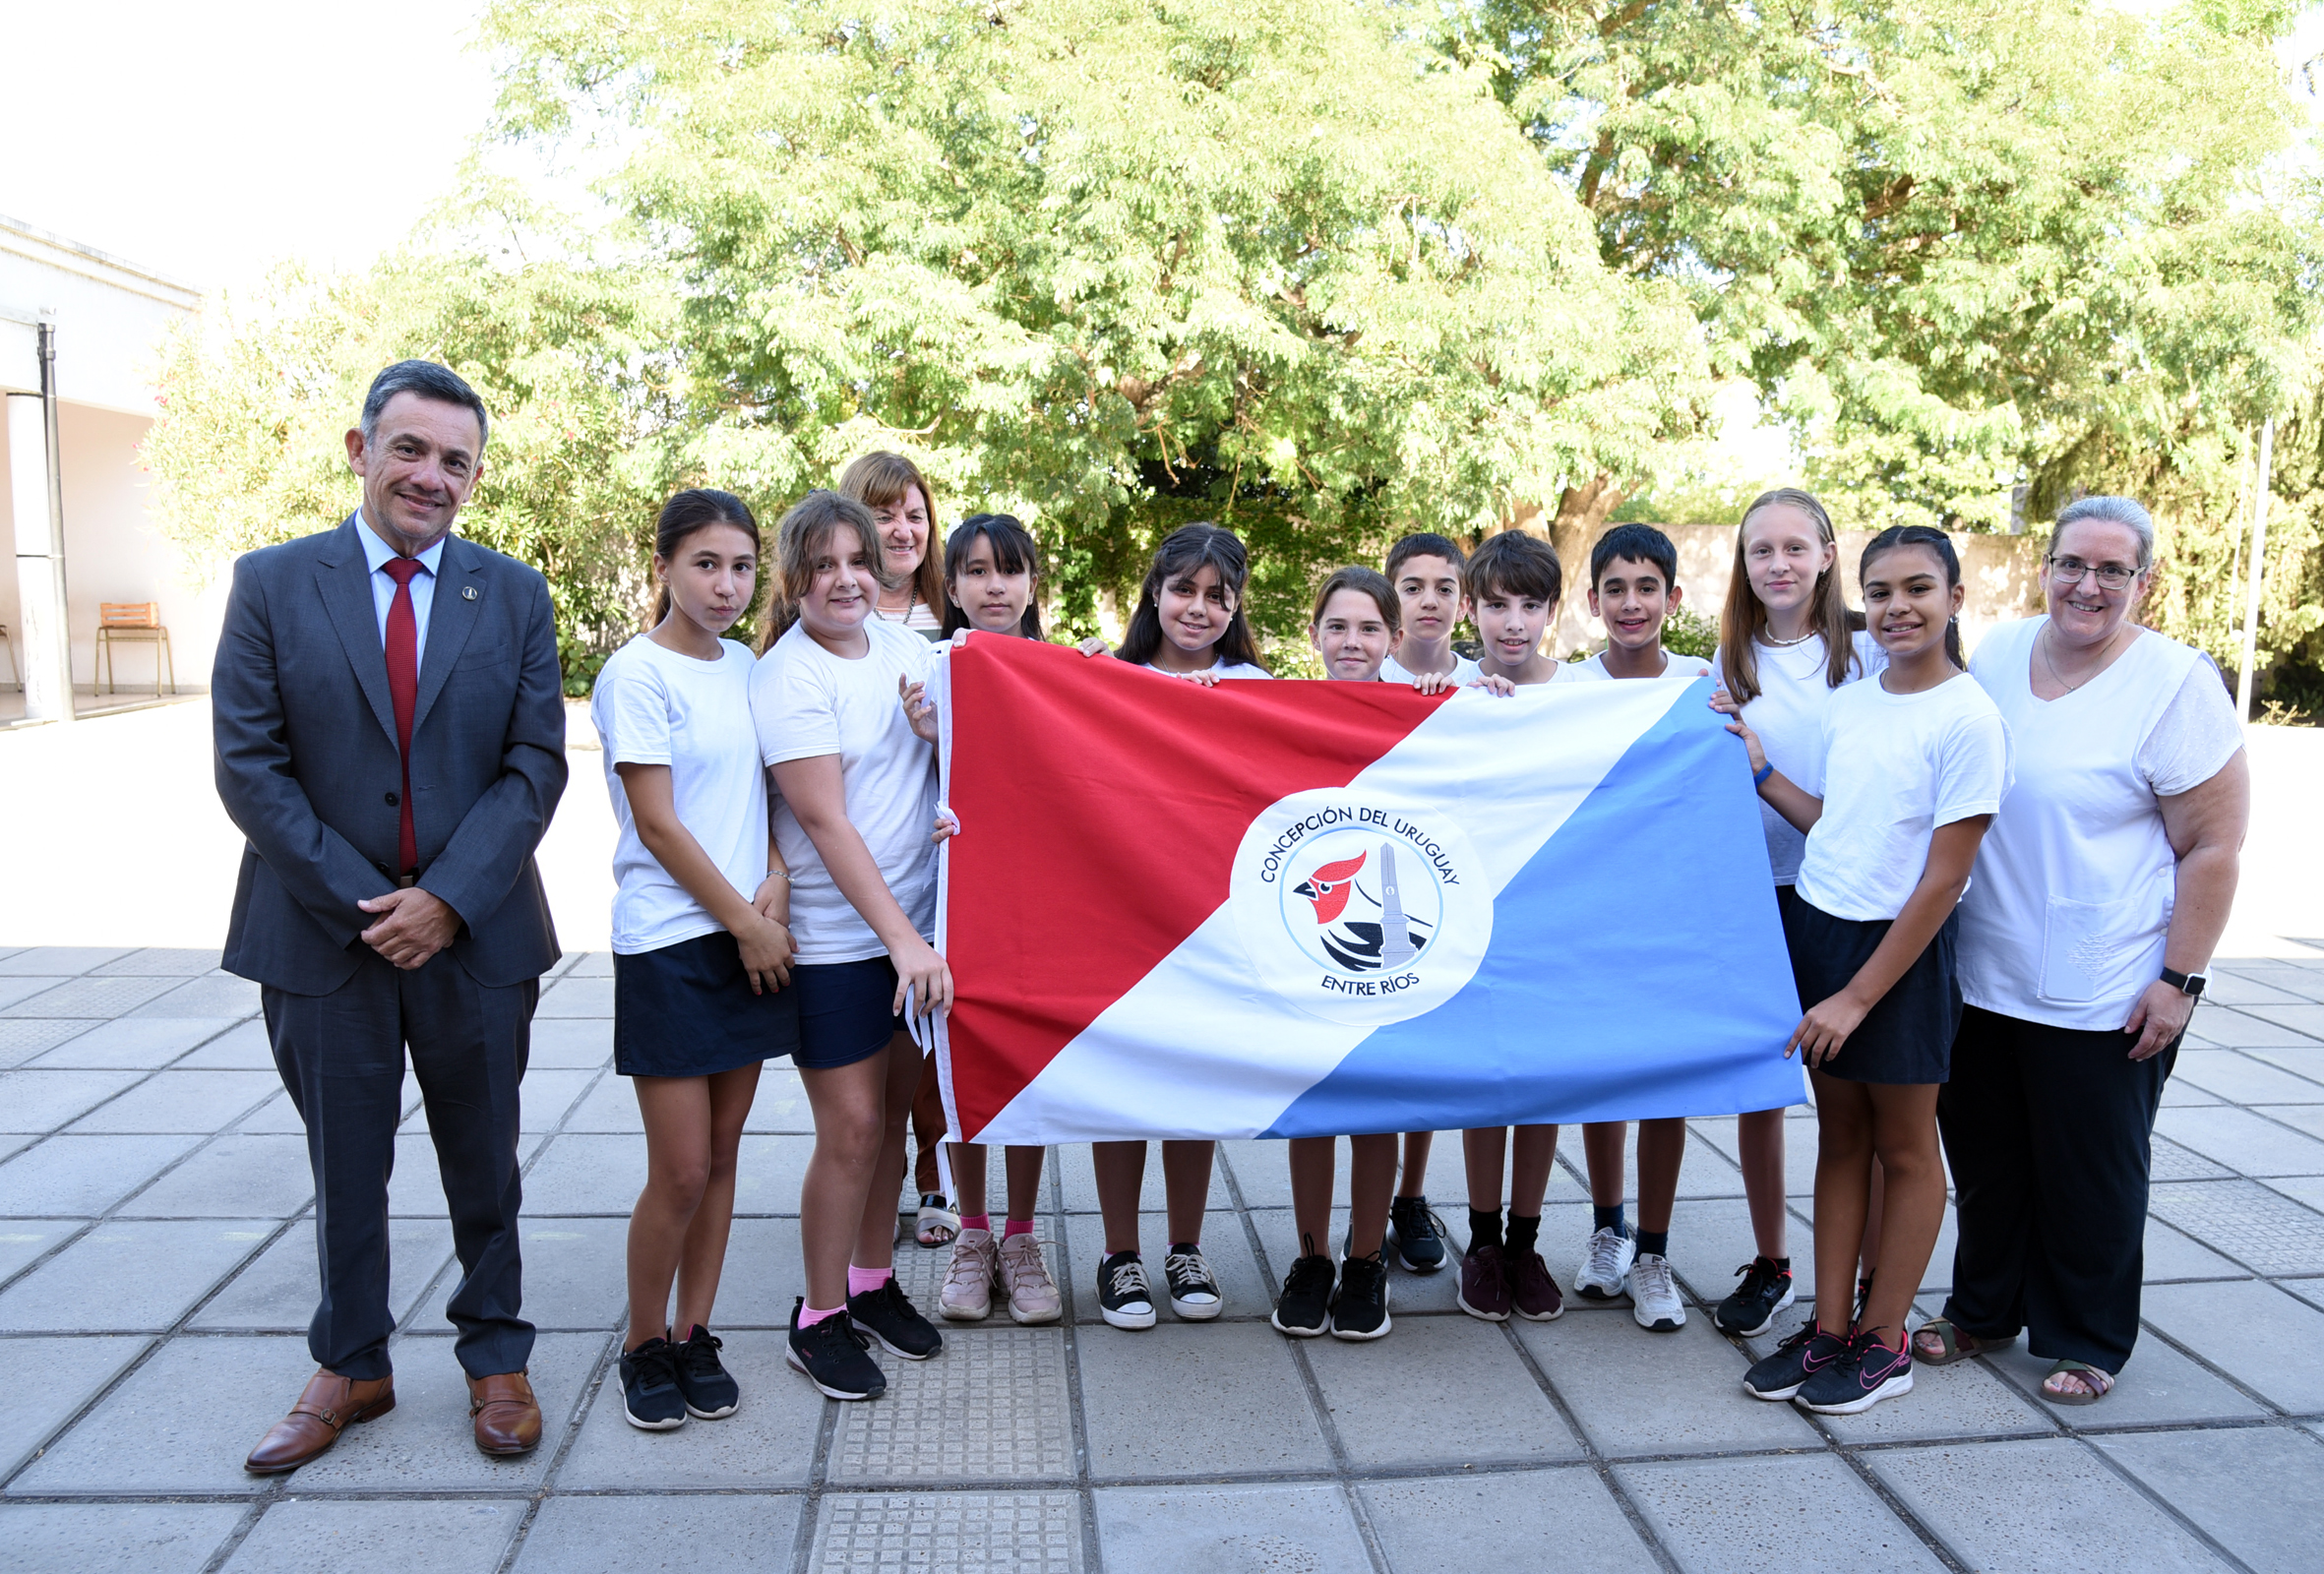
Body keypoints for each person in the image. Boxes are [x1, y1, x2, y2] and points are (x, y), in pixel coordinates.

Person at [222, 361, 567, 1473]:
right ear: (360, 450)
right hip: (324, 936)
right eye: (411, 449)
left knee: (486, 1158)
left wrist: (449, 901)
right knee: (345, 1160)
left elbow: (533, 764)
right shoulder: (273, 583)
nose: (432, 476)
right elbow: (249, 764)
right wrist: (374, 904)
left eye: (455, 460)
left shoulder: (511, 593)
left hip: (476, 936)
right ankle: (353, 1364)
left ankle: (496, 1356)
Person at [1914, 496, 2247, 1405]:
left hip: (2108, 977)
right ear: (2045, 567)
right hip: (1984, 965)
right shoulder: (2001, 653)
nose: (2087, 586)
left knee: (2091, 1168)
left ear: (2145, 582)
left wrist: (2180, 980)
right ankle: (1983, 1309)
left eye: (2112, 570)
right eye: (2071, 564)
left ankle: (2088, 1334)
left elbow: (2213, 846)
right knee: (1986, 1159)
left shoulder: (2176, 684)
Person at [1724, 525, 2010, 1416]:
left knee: (1904, 1147)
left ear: (1955, 599)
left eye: (1919, 589)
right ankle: (1831, 1329)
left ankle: (1886, 1342)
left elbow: (1945, 878)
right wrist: (1764, 774)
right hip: (1823, 932)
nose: (1898, 608)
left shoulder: (1969, 716)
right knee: (1840, 1141)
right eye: (1881, 592)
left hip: (1899, 957)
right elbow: (1838, 827)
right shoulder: (1854, 702)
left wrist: (1856, 995)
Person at [592, 490, 797, 1430]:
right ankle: (642, 1345)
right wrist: (745, 924)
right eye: (706, 564)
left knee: (723, 1159)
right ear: (665, 567)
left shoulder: (748, 667)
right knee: (677, 1169)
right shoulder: (635, 675)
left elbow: (764, 797)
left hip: (750, 935)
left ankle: (694, 1332)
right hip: (673, 941)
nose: (725, 584)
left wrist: (778, 882)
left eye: (742, 566)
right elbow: (660, 825)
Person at [751, 490, 951, 1399]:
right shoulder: (790, 676)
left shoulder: (910, 649)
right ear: (794, 580)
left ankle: (872, 1285)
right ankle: (818, 1316)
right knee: (855, 1128)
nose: (843, 580)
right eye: (822, 566)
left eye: (857, 562)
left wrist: (937, 733)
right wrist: (906, 942)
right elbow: (826, 822)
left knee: (896, 1119)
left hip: (917, 935)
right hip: (842, 943)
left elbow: (964, 756)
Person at [1271, 567, 1491, 1341]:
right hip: (1303, 938)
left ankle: (1366, 1259)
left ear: (1394, 640)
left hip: (1396, 945)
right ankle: (1311, 1257)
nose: (1352, 642)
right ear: (1314, 636)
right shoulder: (1276, 709)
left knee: (1375, 1106)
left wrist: (1479, 710)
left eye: (1369, 629)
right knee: (1312, 1109)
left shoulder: (1427, 711)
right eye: (1338, 627)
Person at [1709, 489, 1888, 1338]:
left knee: (1856, 1094)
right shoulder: (1728, 657)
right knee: (1762, 1090)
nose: (1776, 564)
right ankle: (1774, 1259)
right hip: (1755, 894)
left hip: (1846, 897)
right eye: (1759, 551)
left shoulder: (1866, 659)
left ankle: (1867, 1275)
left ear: (1825, 553)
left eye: (1793, 547)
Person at [1074, 521, 1263, 1327]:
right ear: (1155, 591)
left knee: (1194, 1087)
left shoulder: (1258, 685)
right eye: (1183, 589)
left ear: (1235, 606)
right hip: (1118, 913)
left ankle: (1185, 1247)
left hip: (1215, 922)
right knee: (1122, 1091)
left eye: (1216, 596)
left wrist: (1435, 699)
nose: (1197, 608)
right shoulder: (1104, 679)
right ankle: (1120, 1255)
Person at [1563, 524, 1713, 1333]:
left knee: (1665, 1088)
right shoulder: (1567, 687)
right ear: (1593, 603)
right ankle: (1608, 1230)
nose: (1631, 602)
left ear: (1672, 599)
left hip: (1675, 921)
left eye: (1646, 587)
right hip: (1593, 918)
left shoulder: (1703, 686)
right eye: (1615, 589)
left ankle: (1654, 1252)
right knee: (1604, 1082)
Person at [930, 513, 1065, 1326]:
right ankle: (971, 1233)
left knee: (1031, 1068)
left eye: (1009, 571)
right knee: (968, 1062)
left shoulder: (1061, 671)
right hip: (958, 898)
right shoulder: (930, 668)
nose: (994, 586)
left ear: (1032, 584)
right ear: (951, 587)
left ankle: (1021, 1235)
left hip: (1041, 900)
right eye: (976, 572)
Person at [836, 452, 954, 1249]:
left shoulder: (960, 614)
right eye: (883, 514)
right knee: (868, 1062)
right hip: (856, 870)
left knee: (940, 1033)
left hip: (948, 860)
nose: (902, 529)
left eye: (914, 512)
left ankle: (934, 1176)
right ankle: (864, 1192)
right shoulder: (828, 619)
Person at [1455, 530, 1572, 1324]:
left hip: (1558, 916)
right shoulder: (1449, 690)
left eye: (1531, 606)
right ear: (1470, 609)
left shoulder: (1589, 693)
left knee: (1542, 1084)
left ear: (1554, 613)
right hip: (1471, 915)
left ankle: (1526, 1241)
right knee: (1483, 1085)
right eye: (1496, 605)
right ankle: (1482, 1240)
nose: (1513, 623)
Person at [1375, 532, 1478, 1273]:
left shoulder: (1486, 685)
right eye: (1414, 587)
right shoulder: (1358, 674)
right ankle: (1359, 1209)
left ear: (1462, 601)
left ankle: (1410, 1195)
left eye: (1445, 587)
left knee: (1433, 1054)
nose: (1430, 601)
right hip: (1376, 887)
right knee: (1378, 1053)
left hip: (1452, 888)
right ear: (1393, 599)